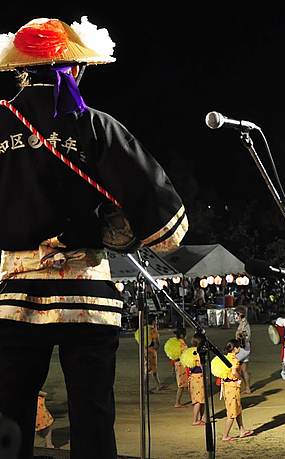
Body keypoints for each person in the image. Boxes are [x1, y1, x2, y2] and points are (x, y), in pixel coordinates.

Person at [0, 17, 188, 459]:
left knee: (7, 420)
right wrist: (110, 228)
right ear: (75, 70)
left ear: (19, 71)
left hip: (11, 296)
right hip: (87, 297)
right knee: (93, 417)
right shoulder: (97, 126)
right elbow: (165, 227)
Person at [220, 339, 254, 441]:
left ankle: (242, 430)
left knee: (238, 409)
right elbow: (234, 372)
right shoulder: (234, 359)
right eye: (238, 347)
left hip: (227, 386)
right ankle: (225, 435)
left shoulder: (226, 358)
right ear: (235, 349)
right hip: (232, 387)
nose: (239, 348)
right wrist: (239, 378)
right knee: (232, 413)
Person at [234, 307, 252, 393]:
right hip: (245, 348)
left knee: (233, 365)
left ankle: (237, 386)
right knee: (244, 370)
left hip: (242, 348)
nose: (235, 316)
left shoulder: (244, 324)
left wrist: (240, 336)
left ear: (240, 314)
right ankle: (247, 388)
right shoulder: (243, 323)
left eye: (236, 314)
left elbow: (245, 337)